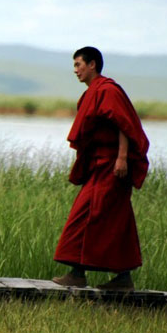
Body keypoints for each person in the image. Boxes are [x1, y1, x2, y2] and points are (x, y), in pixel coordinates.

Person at [52, 47, 149, 291]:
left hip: (113, 164)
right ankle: (112, 276)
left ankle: (82, 273)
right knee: (110, 218)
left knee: (91, 214)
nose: (75, 71)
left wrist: (122, 158)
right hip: (99, 165)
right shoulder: (92, 93)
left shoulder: (108, 90)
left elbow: (123, 124)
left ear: (92, 65)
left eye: (78, 65)